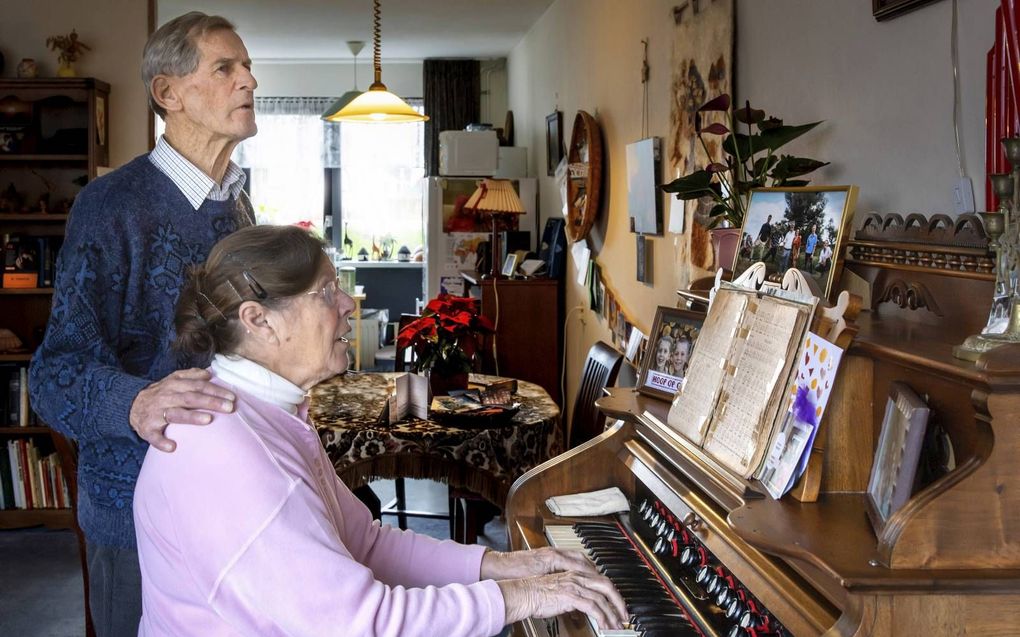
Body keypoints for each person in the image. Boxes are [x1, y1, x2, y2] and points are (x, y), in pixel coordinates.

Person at [134, 225, 628, 636]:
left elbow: (365, 543)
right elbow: (361, 624)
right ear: (258, 320)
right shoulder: (229, 451)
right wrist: (520, 597)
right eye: (327, 291)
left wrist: (501, 566)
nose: (348, 303)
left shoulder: (268, 413)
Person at [29, 13, 257, 636]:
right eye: (225, 67)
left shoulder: (238, 201)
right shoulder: (110, 206)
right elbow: (54, 372)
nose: (249, 80)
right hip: (137, 511)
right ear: (168, 93)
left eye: (247, 66)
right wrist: (137, 402)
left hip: (231, 501)